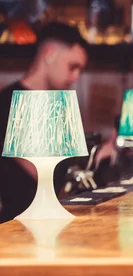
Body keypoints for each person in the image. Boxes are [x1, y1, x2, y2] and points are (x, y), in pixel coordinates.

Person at [0, 22, 88, 223]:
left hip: (51, 220)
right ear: (49, 53)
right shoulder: (9, 103)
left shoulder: (56, 105)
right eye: (72, 66)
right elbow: (49, 176)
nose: (75, 77)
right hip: (16, 226)